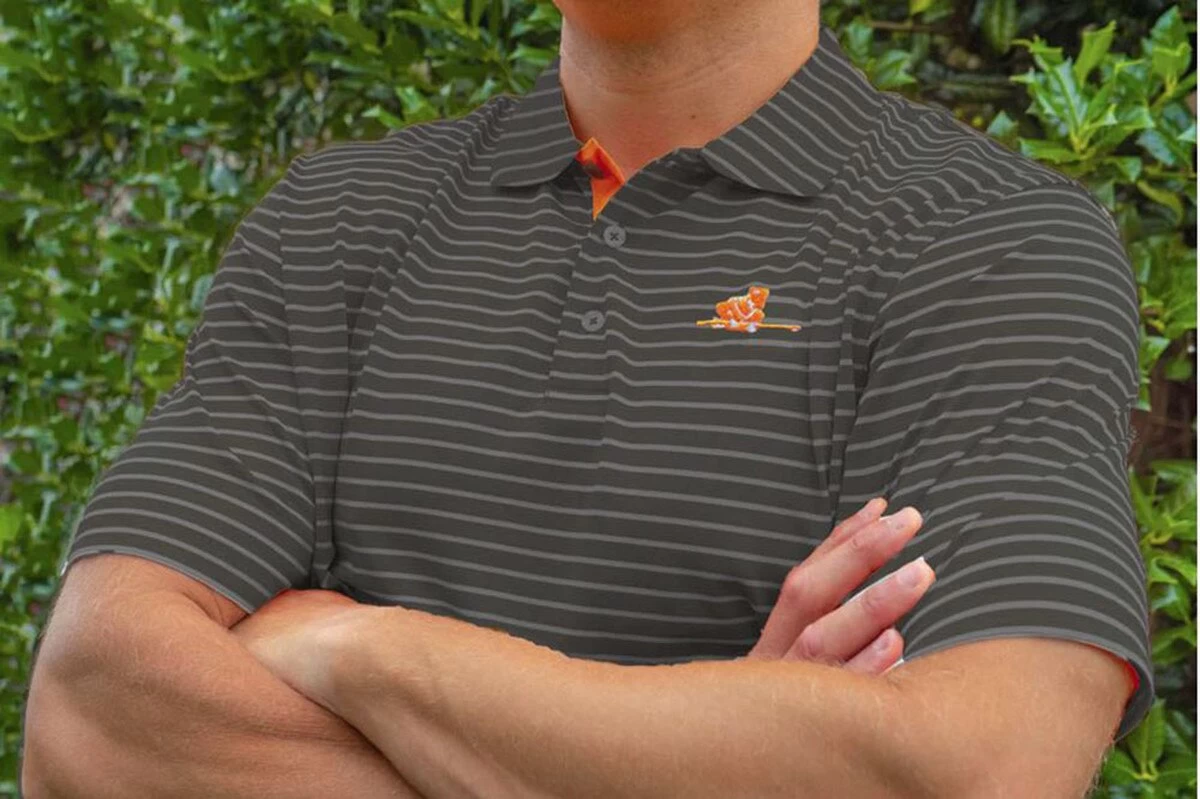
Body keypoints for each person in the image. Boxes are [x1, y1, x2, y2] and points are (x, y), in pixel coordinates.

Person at [23, 0, 1152, 796]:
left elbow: (980, 767)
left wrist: (359, 649)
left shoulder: (994, 246)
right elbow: (91, 713)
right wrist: (723, 760)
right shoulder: (337, 222)